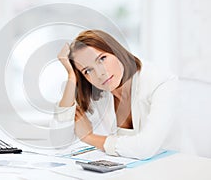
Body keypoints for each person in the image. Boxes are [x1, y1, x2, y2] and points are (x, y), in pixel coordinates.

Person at [53, 29, 177, 160]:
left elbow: (144, 148)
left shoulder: (160, 82)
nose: (100, 73)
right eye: (88, 70)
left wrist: (88, 138)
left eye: (102, 59)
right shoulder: (96, 93)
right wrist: (71, 77)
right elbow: (60, 142)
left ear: (116, 51)